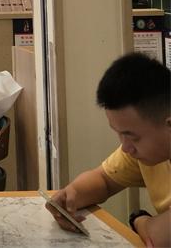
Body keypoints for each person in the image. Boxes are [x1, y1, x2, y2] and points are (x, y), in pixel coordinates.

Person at [48, 53, 170, 246]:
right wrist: (71, 196)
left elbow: (159, 239)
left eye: (133, 137)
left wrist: (139, 219)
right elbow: (103, 180)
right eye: (119, 134)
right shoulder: (141, 153)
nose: (126, 147)